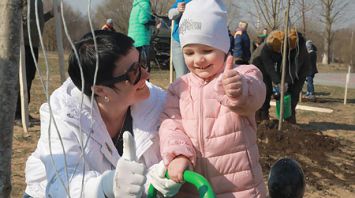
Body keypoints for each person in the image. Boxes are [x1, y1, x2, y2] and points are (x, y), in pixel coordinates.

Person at [24, 30, 181, 198]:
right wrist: (106, 186)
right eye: (134, 72)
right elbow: (62, 182)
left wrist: (159, 177)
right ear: (100, 90)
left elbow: (159, 164)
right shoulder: (63, 112)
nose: (146, 74)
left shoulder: (158, 102)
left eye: (142, 61)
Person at [159, 0, 267, 197]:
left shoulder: (241, 74)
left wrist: (238, 89)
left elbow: (256, 95)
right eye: (189, 53)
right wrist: (178, 154)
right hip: (194, 189)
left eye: (207, 51)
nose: (198, 59)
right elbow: (170, 124)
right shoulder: (178, 88)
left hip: (240, 189)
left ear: (223, 47)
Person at [251, 30, 310, 123]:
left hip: (301, 71)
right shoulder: (265, 50)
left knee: (293, 94)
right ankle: (260, 116)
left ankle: (289, 120)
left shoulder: (299, 50)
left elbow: (294, 67)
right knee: (265, 90)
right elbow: (270, 67)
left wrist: (285, 81)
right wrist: (278, 81)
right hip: (258, 65)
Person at [16, 0, 53, 125]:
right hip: (22, 44)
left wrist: (51, 14)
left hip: (34, 44)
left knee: (29, 77)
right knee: (21, 79)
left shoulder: (38, 2)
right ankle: (16, 114)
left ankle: (23, 111)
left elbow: (37, 20)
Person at [128, 0, 156, 73]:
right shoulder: (145, 4)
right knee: (144, 67)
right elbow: (143, 20)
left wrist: (150, 17)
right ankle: (145, 83)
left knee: (135, 66)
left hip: (133, 39)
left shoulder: (136, 5)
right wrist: (153, 22)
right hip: (141, 39)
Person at [168, 0, 192, 79]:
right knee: (181, 75)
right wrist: (177, 10)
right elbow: (170, 15)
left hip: (195, 43)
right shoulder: (182, 1)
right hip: (179, 41)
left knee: (195, 75)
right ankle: (181, 90)